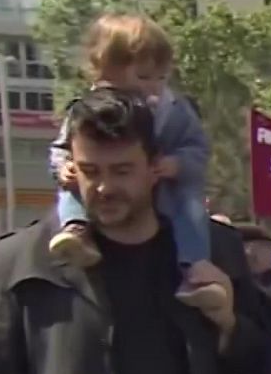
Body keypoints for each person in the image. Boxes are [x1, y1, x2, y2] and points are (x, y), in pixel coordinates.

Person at [0, 87, 271, 374]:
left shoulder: (213, 250)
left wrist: (230, 324)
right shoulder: (19, 258)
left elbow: (263, 365)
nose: (104, 187)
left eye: (122, 171)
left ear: (155, 167)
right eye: (90, 171)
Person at [48, 15, 224, 294]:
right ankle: (76, 232)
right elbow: (60, 149)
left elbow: (198, 149)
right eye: (143, 77)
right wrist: (63, 168)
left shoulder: (173, 109)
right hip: (87, 208)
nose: (153, 86)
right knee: (73, 187)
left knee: (190, 205)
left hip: (167, 188)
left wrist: (177, 164)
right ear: (105, 72)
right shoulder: (84, 110)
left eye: (161, 77)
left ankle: (194, 265)